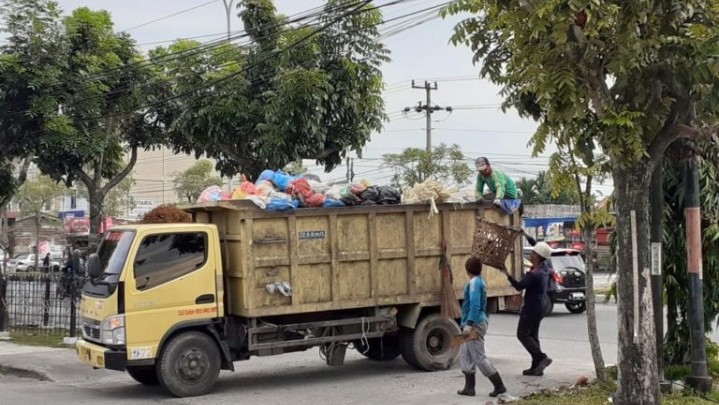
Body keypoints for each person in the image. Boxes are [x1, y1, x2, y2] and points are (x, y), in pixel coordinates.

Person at [457, 257, 507, 398]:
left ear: (467, 270)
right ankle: (469, 388)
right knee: (465, 353)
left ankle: (499, 385)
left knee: (478, 356)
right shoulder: (481, 281)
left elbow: (474, 304)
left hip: (473, 324)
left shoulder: (473, 283)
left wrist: (470, 323)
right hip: (474, 321)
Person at [501, 242, 553, 376]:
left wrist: (506, 273)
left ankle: (541, 357)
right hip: (541, 306)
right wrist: (525, 235)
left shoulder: (534, 275)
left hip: (531, 308)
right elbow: (539, 246)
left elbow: (519, 286)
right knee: (533, 336)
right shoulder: (544, 268)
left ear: (537, 256)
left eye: (533, 253)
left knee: (522, 334)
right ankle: (537, 367)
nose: (531, 255)